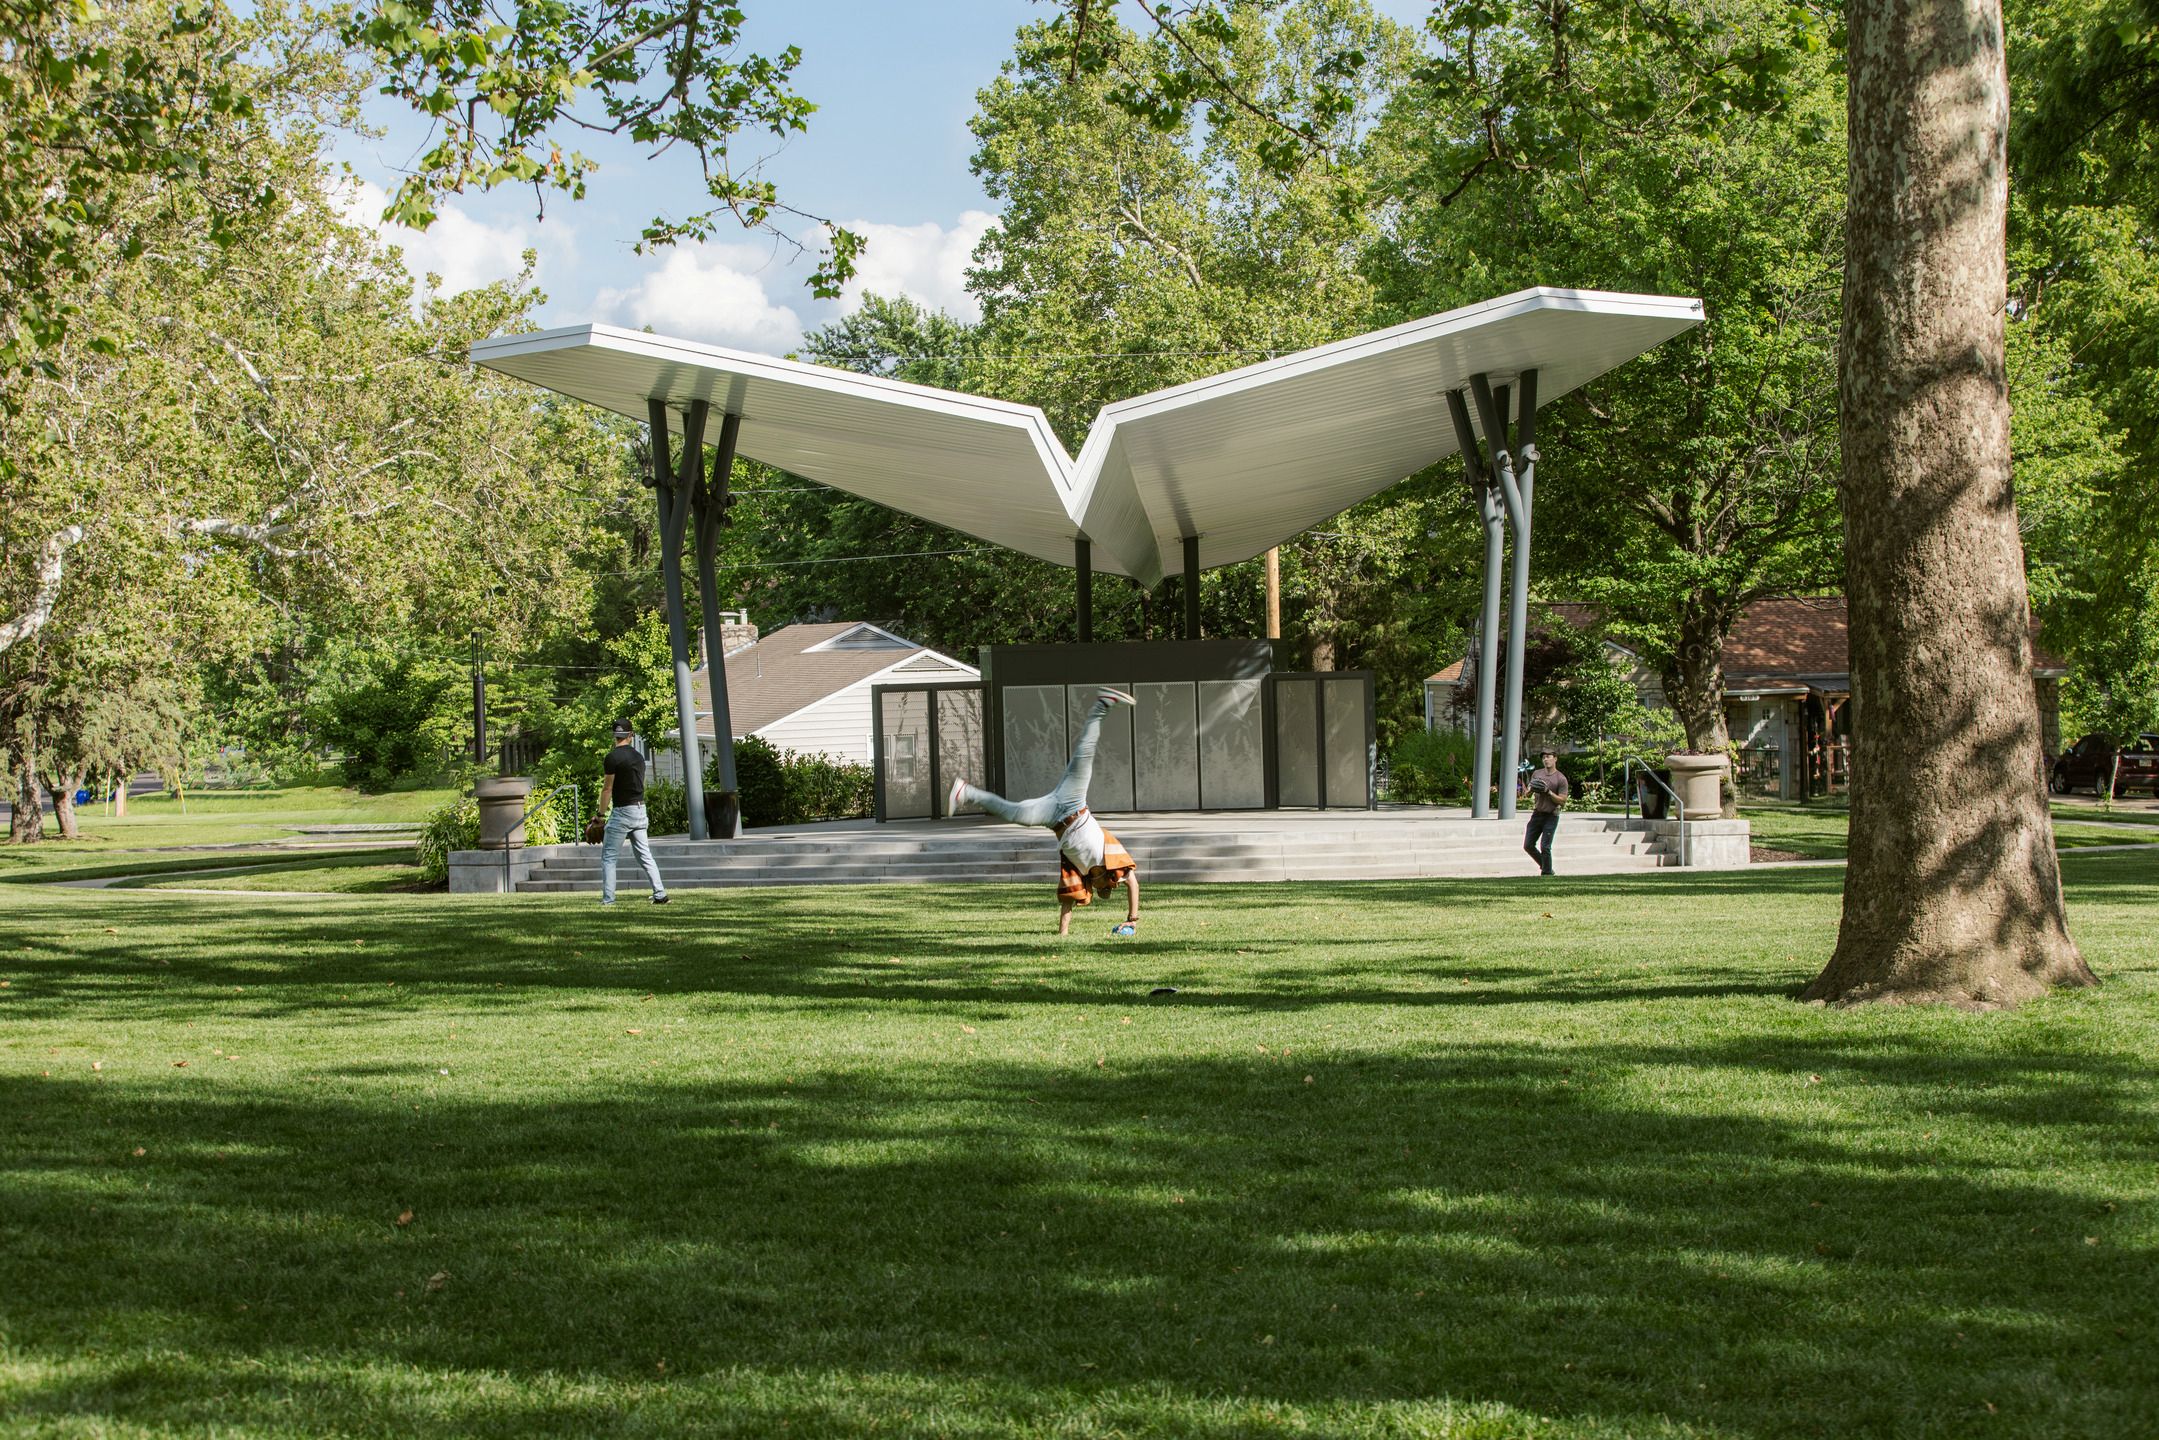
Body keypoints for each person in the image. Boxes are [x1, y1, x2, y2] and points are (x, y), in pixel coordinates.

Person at [948, 688, 1141, 936]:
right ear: (1112, 879)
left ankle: (965, 793)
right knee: (1085, 753)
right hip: (1074, 803)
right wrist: (1132, 919)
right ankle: (1103, 704)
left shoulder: (1081, 874)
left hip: (1053, 817)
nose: (1109, 887)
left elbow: (1068, 900)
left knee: (1015, 814)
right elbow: (1133, 883)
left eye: (1105, 889)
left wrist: (1062, 934)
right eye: (1112, 886)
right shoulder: (1113, 860)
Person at [597, 719, 669, 906]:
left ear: (615, 736)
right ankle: (660, 894)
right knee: (645, 855)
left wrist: (600, 815)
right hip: (640, 809)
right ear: (631, 735)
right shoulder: (638, 757)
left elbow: (607, 789)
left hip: (622, 812)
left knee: (609, 858)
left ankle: (608, 900)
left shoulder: (612, 758)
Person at [1523, 749, 1570, 876]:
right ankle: (1547, 867)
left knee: (1545, 847)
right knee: (1528, 845)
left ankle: (1547, 873)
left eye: (1548, 757)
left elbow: (1562, 801)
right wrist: (1531, 789)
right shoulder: (1537, 774)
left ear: (1555, 759)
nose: (1546, 759)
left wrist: (1548, 792)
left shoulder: (1561, 778)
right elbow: (1527, 794)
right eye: (1543, 757)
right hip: (1537, 814)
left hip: (1551, 815)